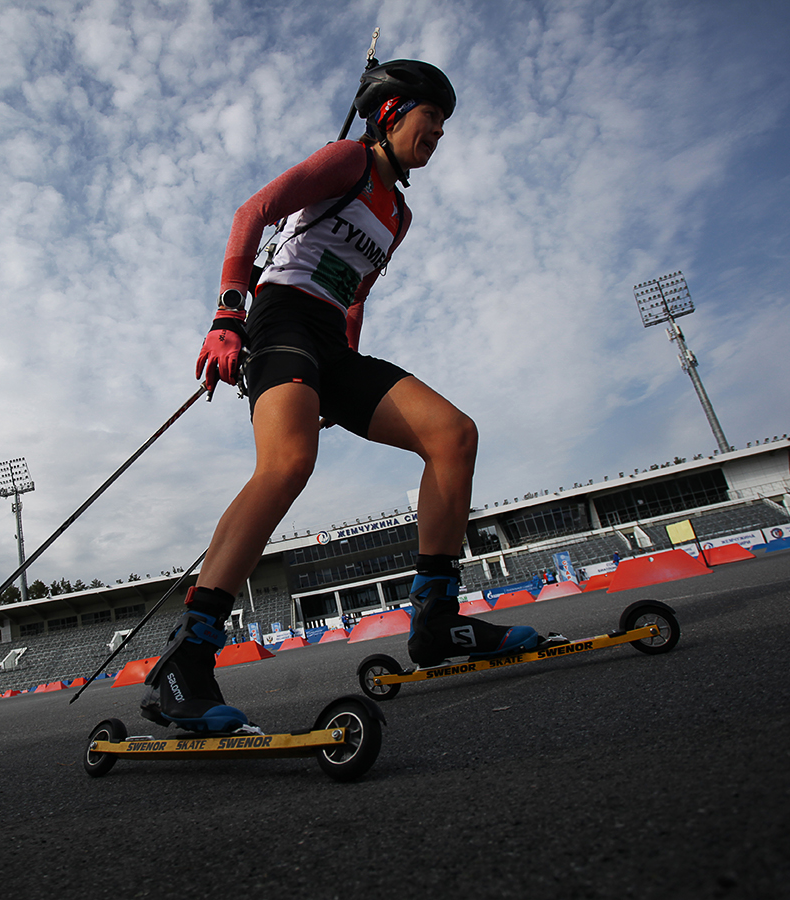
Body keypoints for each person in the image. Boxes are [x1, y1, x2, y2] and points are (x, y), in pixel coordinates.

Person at [141, 60, 561, 734]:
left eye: (447, 126)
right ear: (392, 112)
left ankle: (437, 622)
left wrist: (348, 373)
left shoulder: (399, 215)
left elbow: (356, 294)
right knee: (288, 464)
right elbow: (253, 212)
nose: (440, 134)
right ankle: (188, 658)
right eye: (433, 118)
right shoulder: (348, 162)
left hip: (334, 344)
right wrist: (226, 316)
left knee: (453, 434)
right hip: (278, 320)